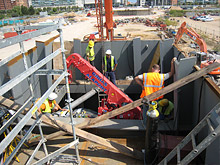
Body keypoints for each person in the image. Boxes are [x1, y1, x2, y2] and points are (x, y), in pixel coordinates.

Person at [135, 57, 176, 122]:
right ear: (158, 71)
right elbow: (172, 73)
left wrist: (142, 85)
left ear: (152, 69)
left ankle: (145, 124)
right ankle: (156, 124)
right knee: (156, 111)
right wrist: (172, 63)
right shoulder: (161, 76)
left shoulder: (146, 75)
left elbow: (136, 78)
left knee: (146, 111)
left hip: (147, 98)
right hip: (157, 99)